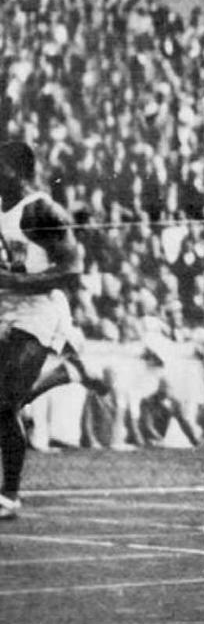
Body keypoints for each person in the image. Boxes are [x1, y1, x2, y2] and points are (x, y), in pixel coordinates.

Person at [0, 142, 88, 521]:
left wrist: (15, 283)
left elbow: (72, 268)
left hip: (39, 312)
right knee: (5, 403)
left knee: (4, 403)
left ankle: (9, 495)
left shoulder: (40, 209)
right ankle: (62, 376)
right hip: (6, 309)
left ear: (17, 172)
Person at [137, 377, 203, 448]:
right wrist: (158, 439)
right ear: (159, 390)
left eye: (167, 392)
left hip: (158, 440)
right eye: (162, 393)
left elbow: (184, 423)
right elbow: (147, 425)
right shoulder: (147, 402)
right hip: (144, 438)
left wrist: (194, 440)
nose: (164, 395)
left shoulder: (174, 403)